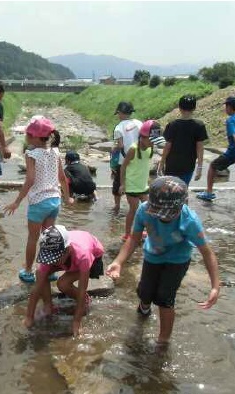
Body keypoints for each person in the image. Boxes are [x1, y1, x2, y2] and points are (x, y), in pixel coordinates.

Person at [106, 176, 220, 345]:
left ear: (183, 205)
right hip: (152, 256)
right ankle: (144, 308)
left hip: (178, 260)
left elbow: (207, 253)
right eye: (158, 214)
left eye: (168, 215)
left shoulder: (190, 221)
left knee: (165, 298)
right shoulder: (144, 210)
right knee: (144, 291)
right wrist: (118, 262)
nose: (163, 218)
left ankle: (163, 341)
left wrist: (215, 286)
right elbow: (133, 239)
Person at [4, 116, 73, 283]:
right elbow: (62, 178)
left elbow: (30, 180)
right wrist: (67, 197)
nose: (26, 137)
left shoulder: (31, 153)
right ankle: (48, 271)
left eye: (28, 134)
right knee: (48, 237)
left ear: (35, 137)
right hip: (54, 200)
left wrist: (17, 202)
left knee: (33, 239)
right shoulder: (55, 151)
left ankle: (28, 271)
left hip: (39, 202)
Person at [23, 225, 104, 337]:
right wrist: (29, 317)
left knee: (63, 284)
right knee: (40, 272)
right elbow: (37, 287)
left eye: (54, 258)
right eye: (49, 258)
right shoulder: (51, 248)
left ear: (67, 250)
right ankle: (48, 307)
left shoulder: (83, 255)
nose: (51, 261)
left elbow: (82, 289)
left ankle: (86, 300)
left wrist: (76, 322)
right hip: (69, 255)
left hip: (93, 258)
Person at [119, 120, 157, 241]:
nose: (153, 143)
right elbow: (123, 166)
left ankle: (144, 230)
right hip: (131, 185)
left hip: (143, 185)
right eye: (151, 140)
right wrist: (122, 184)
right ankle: (127, 234)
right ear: (142, 137)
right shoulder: (133, 149)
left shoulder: (151, 148)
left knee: (148, 209)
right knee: (134, 209)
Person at [159, 94, 208, 185]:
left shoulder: (172, 125)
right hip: (188, 165)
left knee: (170, 190)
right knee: (183, 189)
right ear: (194, 108)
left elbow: (168, 147)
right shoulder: (199, 125)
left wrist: (161, 163)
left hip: (171, 165)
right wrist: (200, 167)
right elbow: (200, 148)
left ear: (179, 108)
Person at [111, 102, 143, 212]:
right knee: (138, 182)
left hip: (124, 160)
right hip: (139, 158)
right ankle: (141, 206)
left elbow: (120, 145)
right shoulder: (139, 123)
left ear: (120, 113)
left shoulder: (119, 127)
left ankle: (117, 205)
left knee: (118, 183)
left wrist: (113, 150)